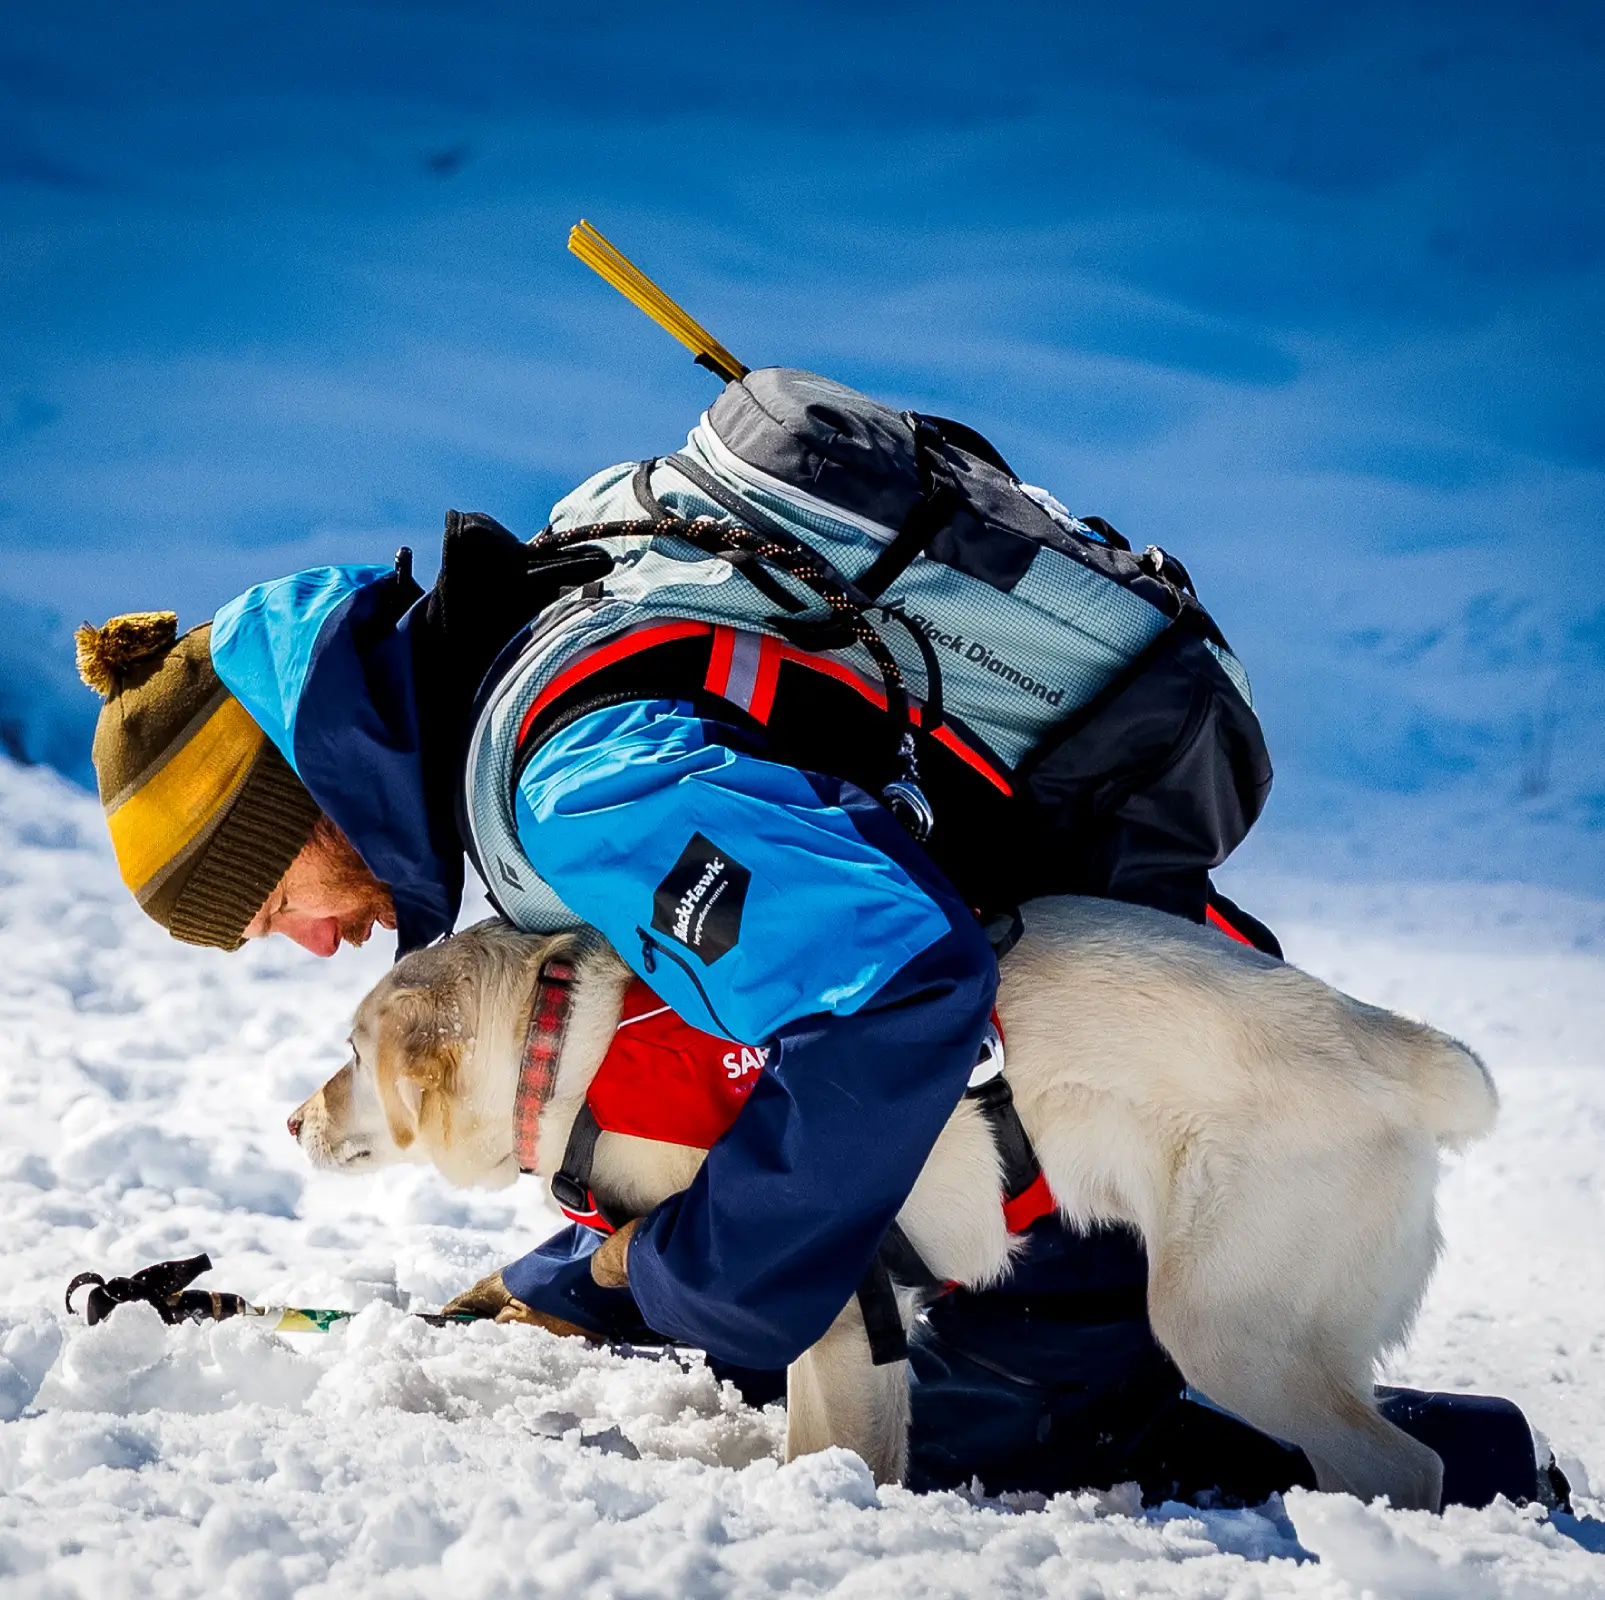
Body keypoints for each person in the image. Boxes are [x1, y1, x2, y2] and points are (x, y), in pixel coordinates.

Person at [75, 376, 1558, 1509]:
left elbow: (896, 991)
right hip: (1095, 1003)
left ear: (304, 806)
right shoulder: (532, 641)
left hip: (1124, 1077)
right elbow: (741, 1051)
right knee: (793, 1291)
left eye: (272, 908)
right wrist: (592, 1271)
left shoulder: (578, 785)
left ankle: (1438, 1482)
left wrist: (695, 1276)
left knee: (990, 1426)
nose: (316, 947)